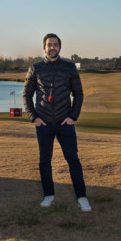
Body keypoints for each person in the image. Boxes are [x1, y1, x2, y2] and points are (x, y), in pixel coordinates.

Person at [23, 33, 91, 212]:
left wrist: (72, 117)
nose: (52, 47)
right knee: (44, 161)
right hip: (43, 124)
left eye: (55, 44)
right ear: (44, 47)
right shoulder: (35, 68)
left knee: (73, 160)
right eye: (49, 44)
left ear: (59, 47)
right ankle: (49, 195)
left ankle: (82, 197)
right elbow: (27, 95)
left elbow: (78, 94)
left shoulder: (69, 67)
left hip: (64, 123)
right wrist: (34, 117)